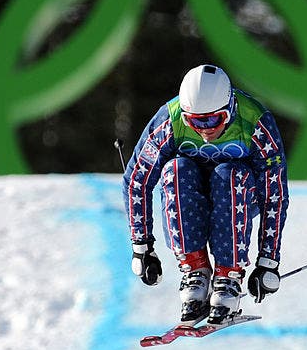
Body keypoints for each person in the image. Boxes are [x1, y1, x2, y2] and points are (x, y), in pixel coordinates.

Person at [122, 64, 290, 324]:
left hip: (240, 194)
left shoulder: (255, 123)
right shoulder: (170, 120)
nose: (205, 129)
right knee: (176, 170)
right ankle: (195, 270)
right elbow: (137, 180)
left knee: (228, 174)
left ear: (230, 109)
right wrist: (142, 247)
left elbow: (274, 194)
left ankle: (228, 276)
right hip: (191, 193)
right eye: (195, 122)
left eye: (213, 120)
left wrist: (268, 261)